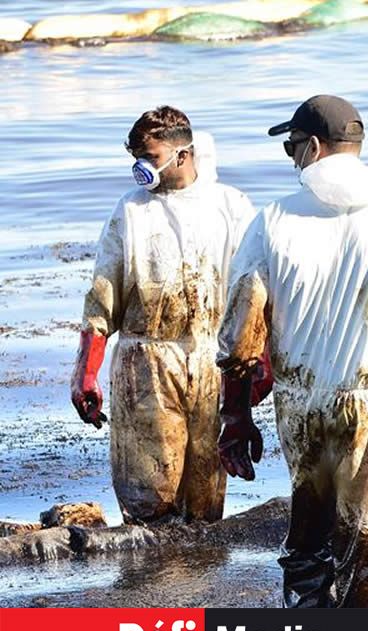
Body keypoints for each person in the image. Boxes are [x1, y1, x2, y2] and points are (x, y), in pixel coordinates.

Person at [217, 95, 368, 611]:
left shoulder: (272, 221)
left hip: (300, 405)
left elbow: (239, 338)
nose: (291, 158)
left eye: (291, 147)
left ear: (315, 148)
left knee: (309, 533)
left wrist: (235, 415)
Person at [71, 106, 258, 524]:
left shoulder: (230, 207)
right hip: (145, 364)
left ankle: (203, 584)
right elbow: (102, 297)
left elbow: (253, 294)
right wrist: (87, 372)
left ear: (183, 154)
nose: (141, 168)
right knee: (149, 499)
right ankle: (151, 584)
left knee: (205, 501)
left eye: (149, 158)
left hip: (212, 360)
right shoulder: (131, 210)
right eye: (135, 158)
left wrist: (256, 366)